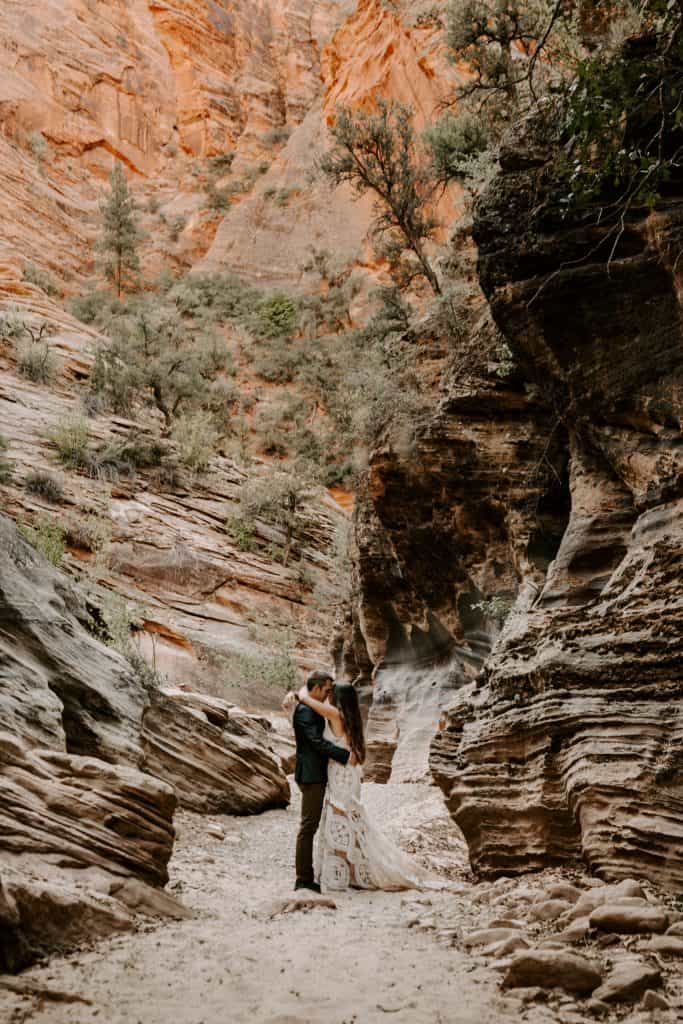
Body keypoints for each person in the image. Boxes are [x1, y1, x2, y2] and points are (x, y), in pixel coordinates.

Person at [288, 676, 446, 894]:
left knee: (341, 817)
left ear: (337, 698)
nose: (327, 695)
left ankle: (338, 872)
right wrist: (303, 693)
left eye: (330, 693)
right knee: (345, 818)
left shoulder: (334, 714)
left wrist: (301, 695)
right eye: (326, 690)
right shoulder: (349, 717)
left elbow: (312, 710)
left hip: (341, 773)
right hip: (347, 773)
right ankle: (346, 869)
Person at [291, 669, 355, 893]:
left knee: (311, 825)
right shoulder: (305, 711)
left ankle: (309, 875)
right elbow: (316, 743)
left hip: (316, 773)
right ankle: (303, 879)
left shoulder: (311, 707)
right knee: (308, 826)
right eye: (326, 689)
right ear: (316, 688)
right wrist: (345, 756)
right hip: (311, 775)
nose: (329, 693)